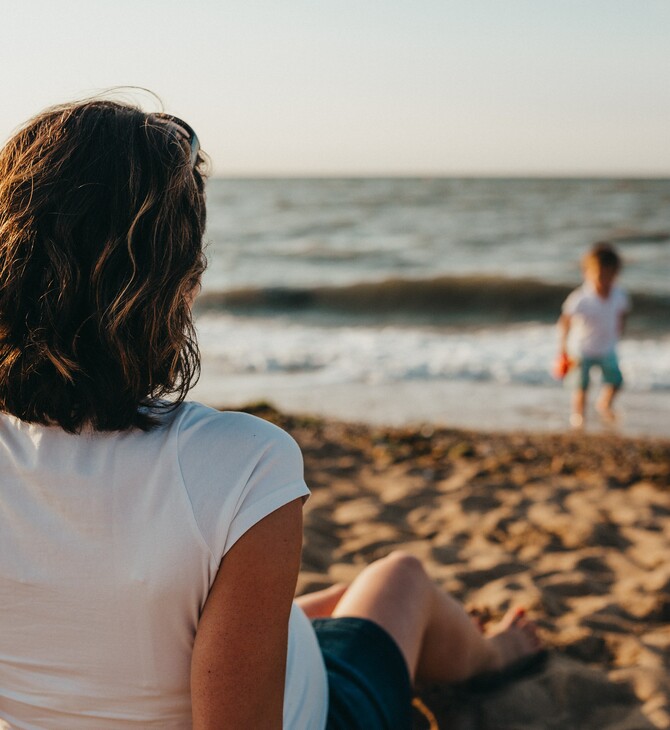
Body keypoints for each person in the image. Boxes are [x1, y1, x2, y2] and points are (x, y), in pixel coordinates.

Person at [0, 98, 543, 730]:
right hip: (324, 713)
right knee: (402, 580)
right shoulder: (244, 462)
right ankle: (498, 654)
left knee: (323, 604)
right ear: (177, 281)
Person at [557, 242, 630, 429]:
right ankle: (578, 417)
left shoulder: (619, 295)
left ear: (616, 274)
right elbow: (565, 321)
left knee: (616, 381)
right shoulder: (581, 298)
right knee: (581, 386)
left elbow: (622, 314)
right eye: (599, 275)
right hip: (582, 349)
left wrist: (618, 331)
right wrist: (563, 349)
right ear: (586, 273)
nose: (604, 280)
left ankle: (604, 404)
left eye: (609, 276)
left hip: (607, 348)